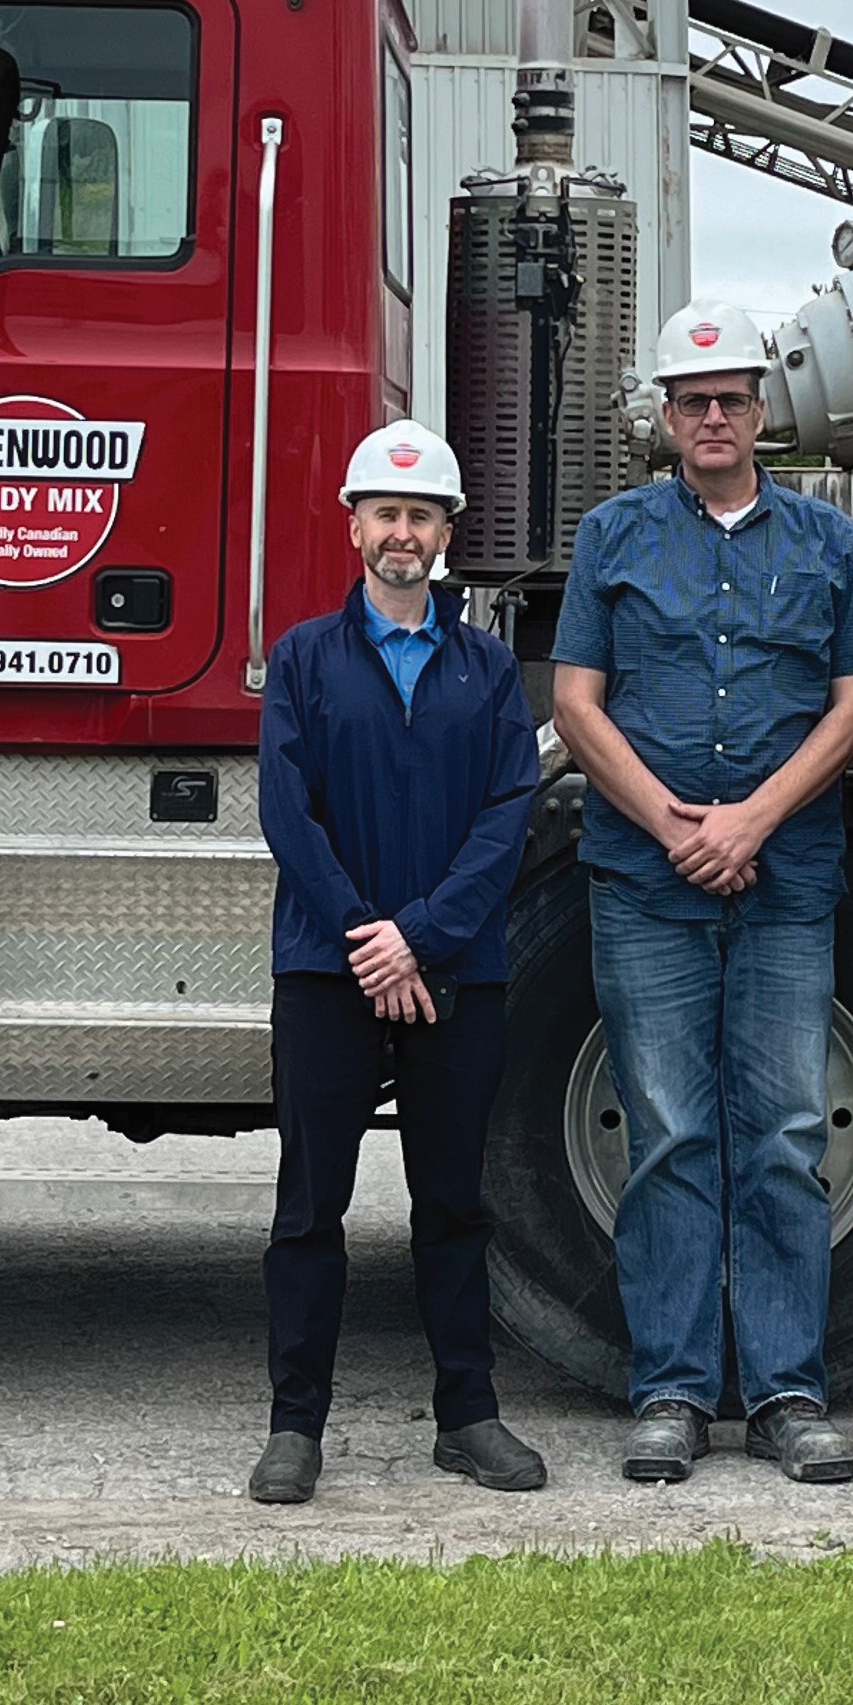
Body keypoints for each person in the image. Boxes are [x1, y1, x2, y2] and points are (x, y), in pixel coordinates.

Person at [551, 300, 853, 1486]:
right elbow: (577, 701)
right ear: (665, 416)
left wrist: (751, 820)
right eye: (691, 401)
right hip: (647, 883)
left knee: (789, 1135)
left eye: (730, 399)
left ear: (758, 411)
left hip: (787, 879)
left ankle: (791, 1391)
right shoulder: (613, 538)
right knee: (670, 1135)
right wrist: (673, 823)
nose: (711, 418)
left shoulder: (826, 545)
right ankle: (675, 1392)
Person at [249, 423, 547, 1507]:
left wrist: (419, 936)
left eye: (422, 515)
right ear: (354, 527)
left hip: (453, 967)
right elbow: (290, 812)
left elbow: (509, 812)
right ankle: (295, 1427)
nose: (403, 533)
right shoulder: (303, 660)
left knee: (455, 1204)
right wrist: (368, 940)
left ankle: (467, 1416)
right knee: (309, 1207)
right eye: (386, 513)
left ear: (447, 534)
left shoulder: (486, 672)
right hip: (328, 969)